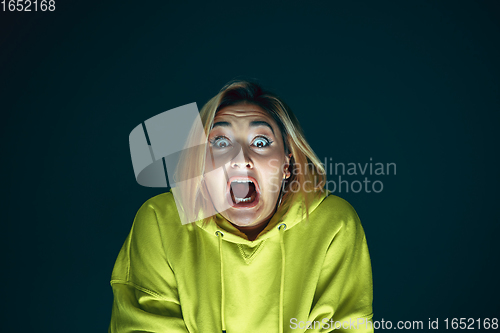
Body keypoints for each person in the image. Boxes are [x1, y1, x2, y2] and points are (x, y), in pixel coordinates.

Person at [108, 80, 374, 332]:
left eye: (260, 142)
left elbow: (343, 326)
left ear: (286, 165)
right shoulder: (160, 221)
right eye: (221, 142)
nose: (240, 158)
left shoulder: (334, 223)